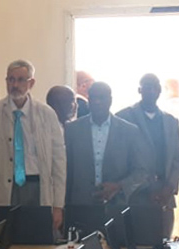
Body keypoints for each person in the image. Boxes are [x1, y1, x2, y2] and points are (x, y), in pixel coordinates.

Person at [0, 60, 67, 236]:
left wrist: (58, 205)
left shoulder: (47, 114)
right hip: (6, 189)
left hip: (38, 188)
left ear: (31, 83)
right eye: (11, 80)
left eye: (20, 80)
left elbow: (59, 160)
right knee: (6, 242)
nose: (15, 85)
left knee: (38, 243)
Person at [63, 81, 148, 213]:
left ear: (110, 100)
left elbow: (141, 171)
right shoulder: (72, 130)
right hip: (79, 205)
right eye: (93, 98)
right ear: (88, 100)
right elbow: (66, 171)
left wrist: (119, 186)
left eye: (102, 97)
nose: (97, 102)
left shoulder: (129, 131)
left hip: (117, 205)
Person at [118, 73, 179, 237]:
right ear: (139, 90)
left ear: (160, 91)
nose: (150, 91)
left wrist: (169, 187)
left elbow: (178, 157)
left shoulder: (170, 121)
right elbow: (119, 158)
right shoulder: (123, 117)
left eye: (153, 87)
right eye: (145, 87)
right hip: (135, 195)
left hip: (164, 195)